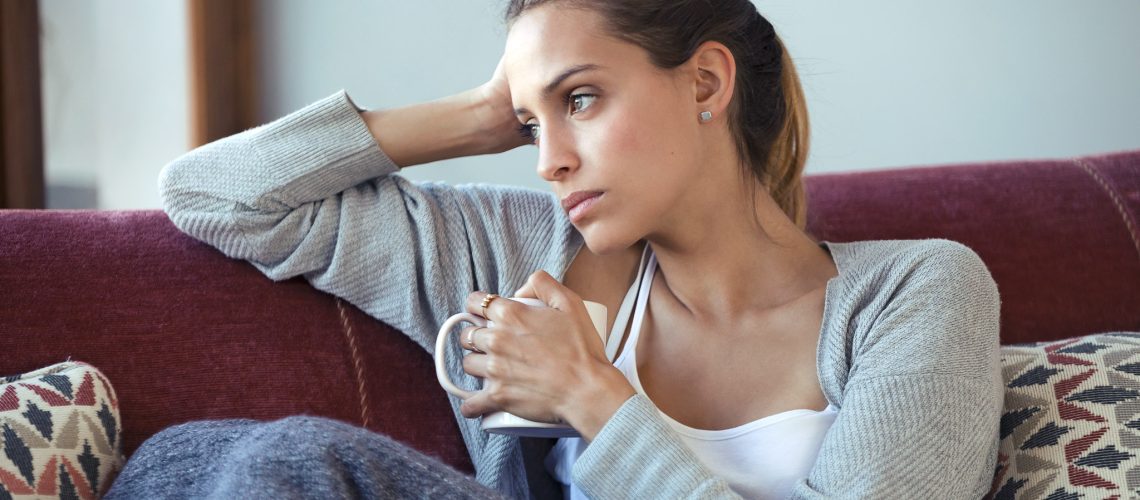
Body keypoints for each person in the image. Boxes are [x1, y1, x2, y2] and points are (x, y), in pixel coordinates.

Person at [106, 0, 1003, 498]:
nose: (549, 160)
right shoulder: (515, 250)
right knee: (244, 462)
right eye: (530, 121)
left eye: (580, 101)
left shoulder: (916, 290)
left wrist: (591, 396)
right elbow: (214, 195)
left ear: (705, 81)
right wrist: (478, 115)